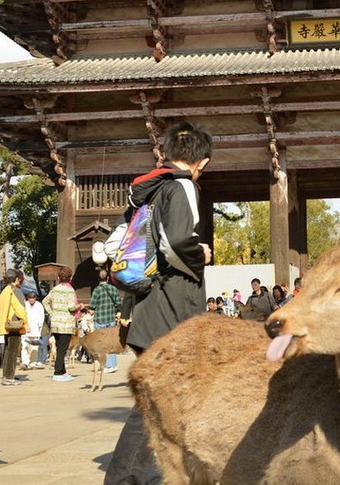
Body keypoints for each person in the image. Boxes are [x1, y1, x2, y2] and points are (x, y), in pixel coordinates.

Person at [105, 121, 213, 485]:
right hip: (171, 304)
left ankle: (160, 472)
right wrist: (200, 255)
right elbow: (178, 241)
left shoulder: (148, 190)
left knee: (162, 398)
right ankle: (125, 479)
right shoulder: (182, 186)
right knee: (154, 403)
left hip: (145, 304)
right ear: (203, 162)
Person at [43, 266, 81, 382]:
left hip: (55, 322)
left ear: (59, 277)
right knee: (62, 349)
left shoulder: (55, 289)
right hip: (66, 323)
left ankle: (63, 372)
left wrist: (51, 313)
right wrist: (79, 306)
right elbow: (71, 307)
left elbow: (45, 301)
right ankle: (58, 372)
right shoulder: (70, 290)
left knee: (60, 347)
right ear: (70, 278)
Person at [0, 268, 28, 386]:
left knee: (7, 350)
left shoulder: (4, 290)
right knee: (13, 351)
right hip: (15, 324)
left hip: (6, 324)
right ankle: (9, 377)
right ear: (16, 279)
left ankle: (6, 375)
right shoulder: (16, 290)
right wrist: (25, 323)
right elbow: (20, 309)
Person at [90, 268, 122, 373]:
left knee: (102, 344)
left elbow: (92, 306)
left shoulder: (97, 290)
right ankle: (113, 365)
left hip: (100, 319)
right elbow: (118, 303)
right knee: (111, 342)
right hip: (111, 319)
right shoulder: (113, 289)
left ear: (98, 279)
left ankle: (107, 366)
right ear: (107, 278)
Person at [21, 291, 47, 369]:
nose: (31, 300)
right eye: (30, 298)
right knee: (24, 346)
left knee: (34, 347)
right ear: (27, 298)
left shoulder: (39, 305)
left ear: (35, 298)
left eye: (33, 298)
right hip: (26, 328)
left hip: (36, 329)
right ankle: (25, 362)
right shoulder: (24, 304)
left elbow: (41, 318)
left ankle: (33, 362)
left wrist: (39, 328)